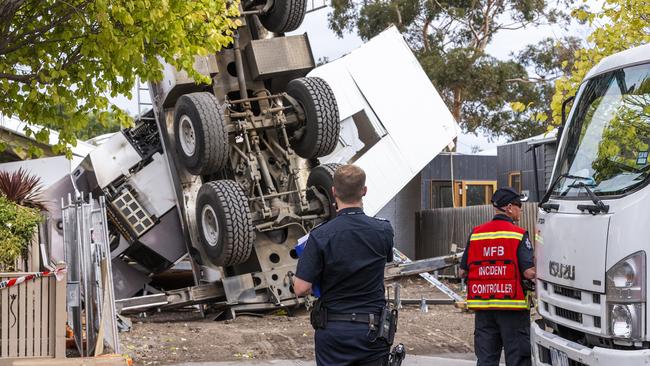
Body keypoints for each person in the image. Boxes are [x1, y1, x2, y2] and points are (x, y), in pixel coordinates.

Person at [293, 164, 394, 366]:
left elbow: (301, 288)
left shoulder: (320, 235)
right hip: (372, 330)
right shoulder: (383, 230)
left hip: (334, 333)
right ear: (364, 191)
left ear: (333, 192)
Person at [459, 187, 536, 366]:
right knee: (517, 359)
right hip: (513, 310)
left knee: (486, 360)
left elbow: (462, 272)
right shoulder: (518, 235)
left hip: (484, 310)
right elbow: (529, 273)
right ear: (509, 207)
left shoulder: (477, 233)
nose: (521, 209)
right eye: (518, 205)